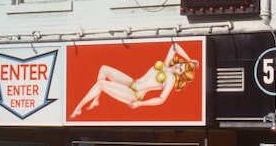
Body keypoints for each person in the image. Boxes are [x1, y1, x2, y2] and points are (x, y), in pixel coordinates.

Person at [70, 42, 198, 117]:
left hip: (134, 94)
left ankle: (78, 108)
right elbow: (174, 46)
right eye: (181, 64)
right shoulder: (166, 64)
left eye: (181, 69)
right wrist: (190, 59)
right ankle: (96, 100)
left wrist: (140, 104)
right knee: (104, 69)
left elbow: (161, 99)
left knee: (101, 84)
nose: (178, 66)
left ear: (180, 76)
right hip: (132, 83)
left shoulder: (170, 79)